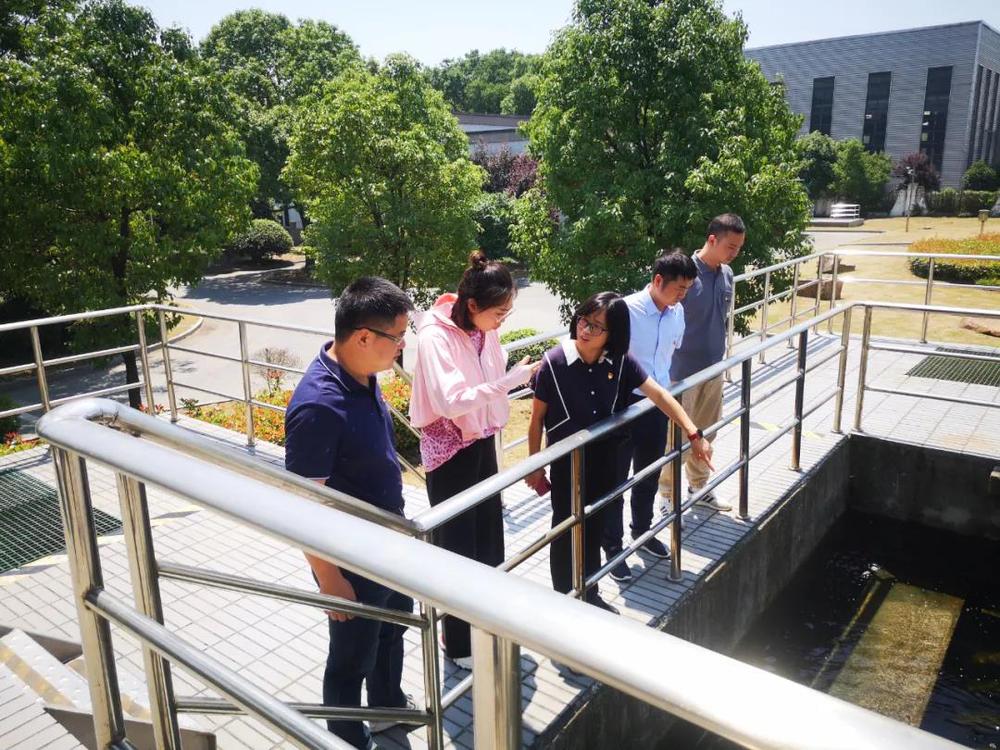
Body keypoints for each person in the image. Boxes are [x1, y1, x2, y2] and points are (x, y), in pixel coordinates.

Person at [284, 276, 416, 750]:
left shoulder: (361, 373)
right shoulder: (319, 405)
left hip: (388, 540)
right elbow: (300, 506)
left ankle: (387, 707)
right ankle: (347, 739)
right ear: (363, 337)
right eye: (397, 337)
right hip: (351, 560)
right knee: (350, 661)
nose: (402, 346)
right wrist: (329, 578)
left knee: (393, 629)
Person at [525, 292, 713, 611]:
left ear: (614, 333)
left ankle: (589, 593)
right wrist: (535, 464)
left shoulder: (620, 361)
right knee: (565, 530)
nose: (586, 330)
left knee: (595, 526)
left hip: (605, 461)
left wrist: (693, 433)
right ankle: (563, 601)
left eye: (597, 326)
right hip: (567, 464)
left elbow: (659, 395)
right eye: (583, 320)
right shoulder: (554, 362)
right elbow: (536, 419)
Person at [409, 251, 537, 670]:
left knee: (489, 541)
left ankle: (488, 624)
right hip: (449, 452)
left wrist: (508, 381)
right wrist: (510, 382)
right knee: (458, 548)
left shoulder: (482, 330)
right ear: (472, 305)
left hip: (480, 440)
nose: (502, 321)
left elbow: (487, 378)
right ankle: (458, 640)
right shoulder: (435, 337)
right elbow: (451, 401)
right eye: (499, 313)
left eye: (507, 313)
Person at [602, 250, 698, 582]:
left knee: (649, 473)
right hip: (624, 405)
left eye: (687, 289)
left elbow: (669, 355)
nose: (683, 295)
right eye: (679, 288)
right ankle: (612, 549)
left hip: (658, 405)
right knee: (615, 480)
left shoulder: (677, 312)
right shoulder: (625, 311)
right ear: (658, 280)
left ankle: (642, 532)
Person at [668, 213, 747, 512]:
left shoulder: (726, 274)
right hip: (681, 374)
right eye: (731, 246)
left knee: (707, 433)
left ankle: (698, 486)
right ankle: (666, 495)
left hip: (714, 369)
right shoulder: (685, 273)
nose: (735, 253)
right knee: (675, 439)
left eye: (739, 247)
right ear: (712, 239)